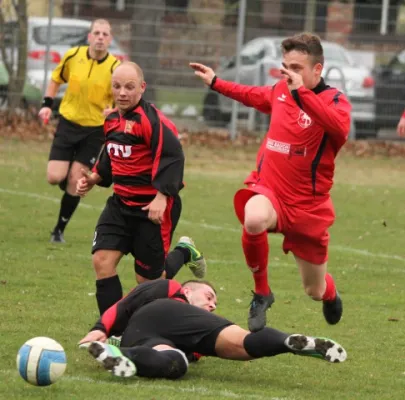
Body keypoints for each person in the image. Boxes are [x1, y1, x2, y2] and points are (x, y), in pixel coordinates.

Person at [190, 32, 352, 332]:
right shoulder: (280, 90)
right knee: (253, 218)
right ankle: (262, 292)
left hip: (308, 208)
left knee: (313, 290)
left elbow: (337, 126)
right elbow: (251, 94)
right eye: (286, 65)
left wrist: (300, 92)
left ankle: (329, 293)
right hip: (272, 191)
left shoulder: (337, 103)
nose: (289, 73)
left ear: (318, 70)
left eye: (297, 67)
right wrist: (216, 82)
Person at [76, 61, 207, 316]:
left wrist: (162, 195)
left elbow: (173, 157)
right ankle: (114, 331)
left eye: (129, 86)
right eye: (117, 86)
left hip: (152, 208)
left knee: (148, 282)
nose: (122, 92)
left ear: (142, 88)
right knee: (101, 261)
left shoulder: (153, 121)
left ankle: (183, 251)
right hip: (121, 205)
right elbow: (113, 155)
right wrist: (95, 177)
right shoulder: (112, 120)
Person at [79, 279, 347, 380]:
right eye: (208, 297)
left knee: (175, 363)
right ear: (187, 290)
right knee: (243, 341)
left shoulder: (192, 316)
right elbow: (128, 303)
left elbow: (194, 354)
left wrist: (103, 334)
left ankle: (121, 354)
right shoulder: (170, 289)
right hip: (163, 314)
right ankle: (286, 341)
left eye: (214, 302)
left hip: (142, 339)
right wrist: (100, 326)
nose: (212, 304)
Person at [38, 19, 120, 243]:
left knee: (76, 181)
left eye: (105, 34)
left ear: (110, 39)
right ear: (89, 37)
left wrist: (112, 111)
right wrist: (46, 105)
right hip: (68, 123)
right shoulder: (73, 56)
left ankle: (58, 230)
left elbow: (123, 101)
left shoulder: (115, 68)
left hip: (94, 131)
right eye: (97, 33)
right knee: (55, 177)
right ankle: (67, 175)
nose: (101, 37)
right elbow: (55, 79)